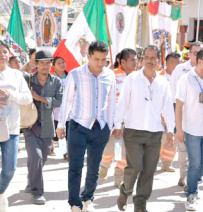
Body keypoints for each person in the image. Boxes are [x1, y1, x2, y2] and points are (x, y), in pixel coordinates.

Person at [113, 45, 175, 212]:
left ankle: (140, 204)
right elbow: (123, 103)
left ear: (158, 61)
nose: (150, 61)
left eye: (153, 58)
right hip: (133, 131)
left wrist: (170, 130)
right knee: (134, 167)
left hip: (155, 133)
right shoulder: (132, 79)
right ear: (142, 60)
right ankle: (125, 191)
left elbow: (168, 108)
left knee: (148, 170)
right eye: (147, 57)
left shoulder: (163, 83)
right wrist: (117, 125)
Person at [56, 41, 116, 212]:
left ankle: (87, 198)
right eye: (96, 59)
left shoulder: (109, 75)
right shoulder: (75, 74)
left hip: (101, 128)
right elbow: (66, 101)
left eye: (104, 59)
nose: (100, 63)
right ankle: (74, 203)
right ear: (88, 56)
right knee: (75, 167)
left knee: (94, 168)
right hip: (78, 127)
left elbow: (111, 102)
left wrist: (109, 125)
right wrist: (61, 125)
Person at [175, 48, 203, 211]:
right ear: (200, 61)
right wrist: (179, 129)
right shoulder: (185, 80)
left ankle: (191, 180)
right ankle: (191, 195)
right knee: (194, 163)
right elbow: (179, 106)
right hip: (191, 129)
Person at [23, 50, 63, 205]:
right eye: (42, 63)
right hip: (29, 125)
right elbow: (14, 74)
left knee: (42, 157)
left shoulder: (56, 82)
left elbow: (59, 101)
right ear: (36, 64)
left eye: (48, 63)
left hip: (47, 126)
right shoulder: (27, 80)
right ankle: (37, 192)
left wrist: (40, 99)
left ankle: (31, 179)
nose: (45, 66)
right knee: (36, 156)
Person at [0, 40, 32, 211]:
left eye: (4, 51)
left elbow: (27, 98)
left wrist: (11, 95)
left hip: (11, 129)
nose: (2, 55)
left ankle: (0, 192)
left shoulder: (16, 75)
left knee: (9, 169)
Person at [99, 48, 137, 187]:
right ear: (123, 61)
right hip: (113, 120)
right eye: (132, 59)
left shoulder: (138, 77)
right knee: (109, 148)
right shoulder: (111, 76)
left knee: (126, 152)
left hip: (131, 121)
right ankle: (103, 167)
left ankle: (118, 177)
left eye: (136, 59)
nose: (136, 62)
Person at [169, 41, 203, 189]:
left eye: (200, 52)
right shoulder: (180, 69)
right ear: (189, 54)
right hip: (182, 112)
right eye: (194, 52)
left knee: (198, 149)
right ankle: (183, 177)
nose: (197, 55)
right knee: (183, 147)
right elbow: (171, 91)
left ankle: (194, 176)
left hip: (199, 115)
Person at [158, 52, 180, 172]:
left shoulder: (180, 76)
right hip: (161, 112)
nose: (180, 65)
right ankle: (153, 161)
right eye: (178, 62)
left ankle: (167, 163)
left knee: (173, 138)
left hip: (176, 111)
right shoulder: (159, 76)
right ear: (171, 63)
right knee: (160, 138)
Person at [51, 57, 69, 159]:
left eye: (63, 62)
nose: (62, 64)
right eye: (59, 63)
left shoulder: (70, 76)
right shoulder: (53, 77)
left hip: (70, 109)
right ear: (54, 66)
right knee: (58, 131)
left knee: (68, 132)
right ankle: (54, 148)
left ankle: (66, 152)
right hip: (57, 109)